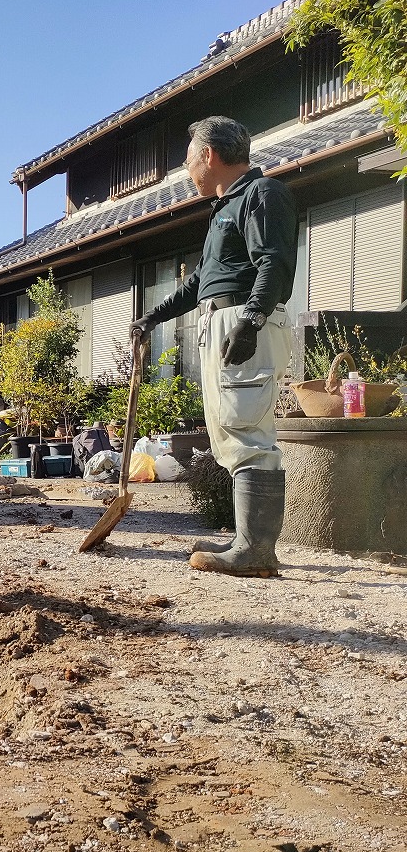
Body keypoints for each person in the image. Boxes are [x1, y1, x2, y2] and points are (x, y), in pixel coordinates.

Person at [130, 116, 298, 577]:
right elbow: (200, 283)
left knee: (246, 431)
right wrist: (153, 316)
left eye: (188, 160)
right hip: (220, 320)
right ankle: (247, 542)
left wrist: (251, 319)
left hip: (243, 318)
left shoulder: (262, 195)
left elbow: (275, 263)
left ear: (209, 155)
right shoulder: (226, 207)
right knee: (229, 428)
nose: (186, 171)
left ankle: (255, 551)